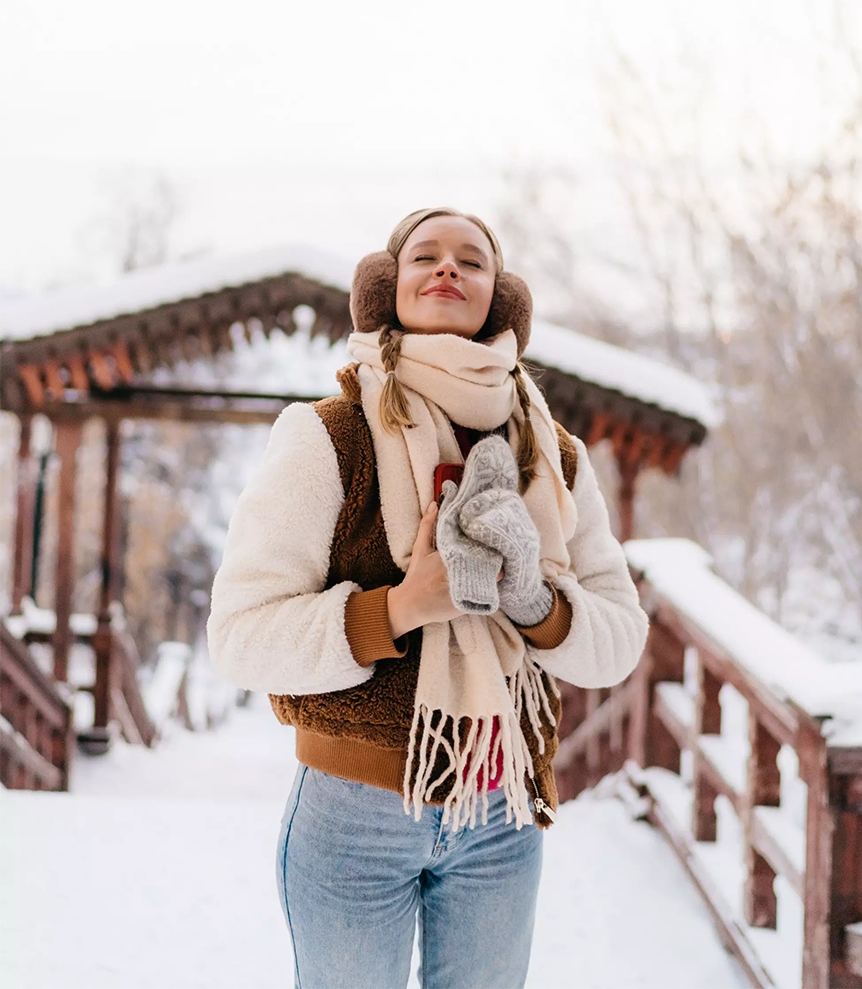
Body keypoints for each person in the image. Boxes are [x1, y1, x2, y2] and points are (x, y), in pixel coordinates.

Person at [206, 207, 649, 989]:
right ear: (387, 286)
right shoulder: (328, 436)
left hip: (502, 810)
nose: (448, 268)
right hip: (354, 813)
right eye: (426, 256)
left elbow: (617, 641)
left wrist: (533, 602)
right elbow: (239, 636)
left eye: (471, 261)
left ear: (500, 299)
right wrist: (400, 608)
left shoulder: (553, 456)